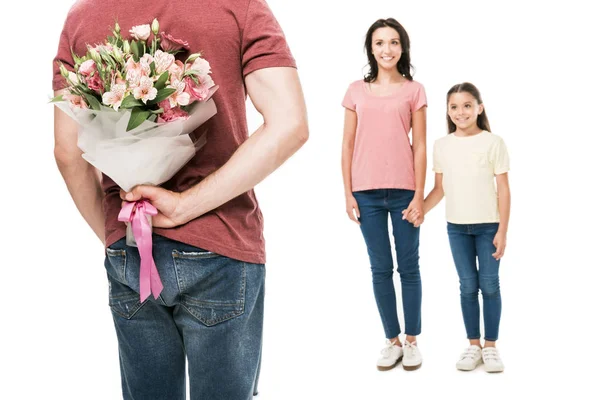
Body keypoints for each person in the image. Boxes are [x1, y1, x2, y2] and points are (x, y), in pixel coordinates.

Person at [52, 0, 308, 398]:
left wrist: (115, 234)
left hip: (131, 251)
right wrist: (185, 206)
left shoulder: (83, 15)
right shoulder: (239, 7)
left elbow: (68, 154)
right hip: (220, 242)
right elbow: (290, 125)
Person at [341, 18, 427, 372]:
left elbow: (420, 146)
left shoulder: (415, 90)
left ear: (402, 48)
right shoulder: (355, 91)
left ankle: (412, 341)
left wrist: (420, 195)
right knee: (380, 268)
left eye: (394, 42)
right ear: (370, 48)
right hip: (366, 193)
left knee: (408, 267)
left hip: (405, 189)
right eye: (380, 43)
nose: (387, 49)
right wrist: (347, 193)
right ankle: (391, 340)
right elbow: (346, 144)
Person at [410, 82, 510, 373]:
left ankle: (491, 347)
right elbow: (439, 189)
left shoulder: (493, 142)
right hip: (457, 228)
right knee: (467, 286)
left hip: (488, 226)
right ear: (447, 111)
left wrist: (502, 230)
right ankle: (473, 344)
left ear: (479, 108)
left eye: (467, 105)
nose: (461, 112)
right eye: (454, 106)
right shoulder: (442, 146)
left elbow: (503, 190)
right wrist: (420, 211)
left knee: (489, 285)